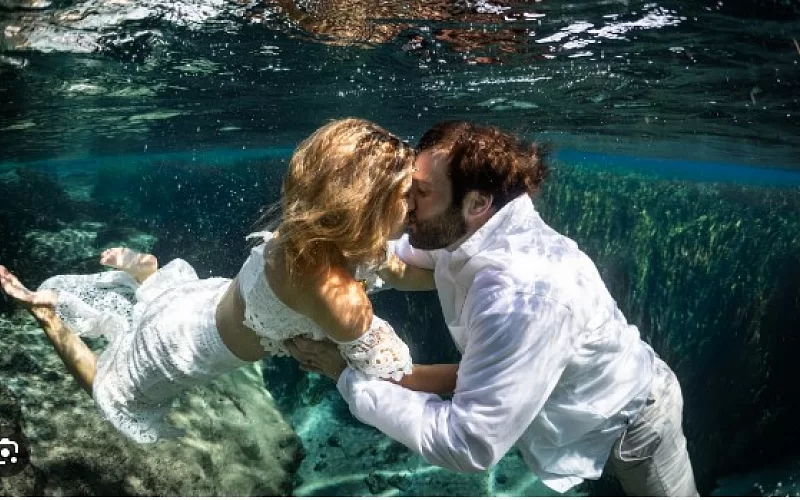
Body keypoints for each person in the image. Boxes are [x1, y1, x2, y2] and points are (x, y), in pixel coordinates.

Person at [287, 121, 698, 496]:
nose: (407, 204)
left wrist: (344, 375)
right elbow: (401, 254)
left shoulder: (523, 298)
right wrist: (333, 237)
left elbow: (466, 446)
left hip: (634, 427)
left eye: (421, 193)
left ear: (477, 203)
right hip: (567, 412)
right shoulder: (471, 229)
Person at [0, 118, 443, 444]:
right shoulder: (337, 296)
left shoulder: (314, 226)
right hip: (182, 348)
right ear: (364, 204)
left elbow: (400, 273)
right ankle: (48, 315)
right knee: (112, 392)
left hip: (199, 304)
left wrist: (466, 272)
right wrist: (490, 377)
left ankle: (147, 276)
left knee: (156, 303)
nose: (415, 208)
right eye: (408, 197)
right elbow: (394, 380)